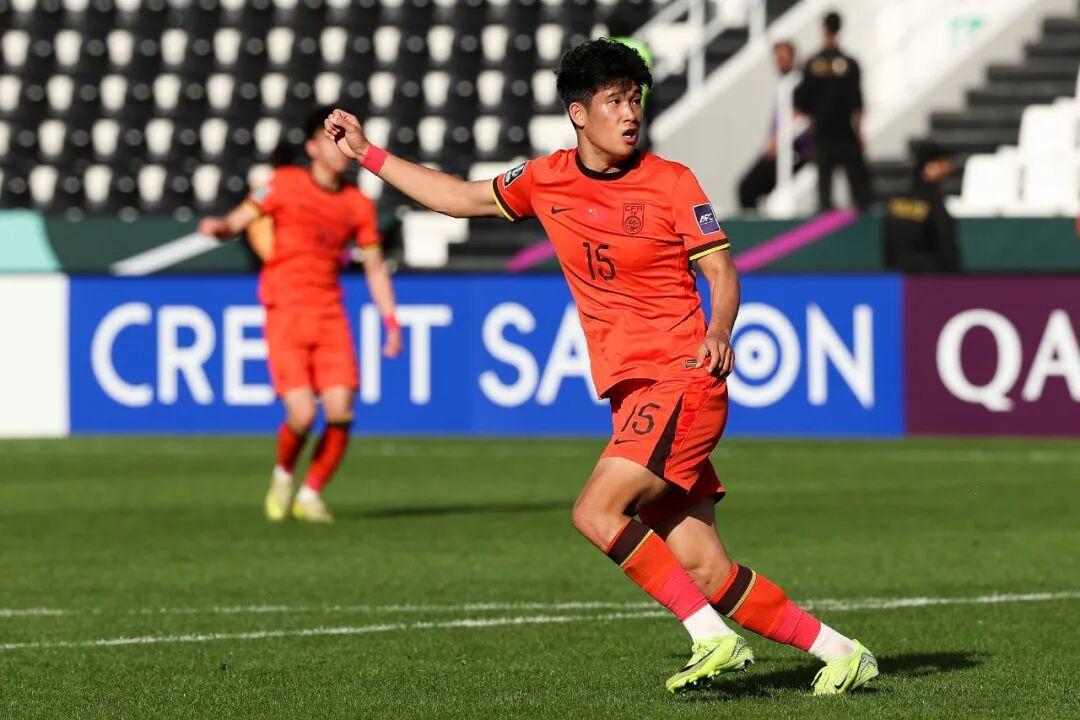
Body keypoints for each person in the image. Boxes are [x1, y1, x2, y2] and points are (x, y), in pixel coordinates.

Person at [324, 39, 877, 695]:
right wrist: (368, 154)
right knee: (707, 572)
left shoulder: (672, 181)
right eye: (615, 100)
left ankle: (711, 640)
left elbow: (722, 271)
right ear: (579, 113)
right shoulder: (545, 178)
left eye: (635, 99)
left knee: (595, 512)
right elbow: (458, 197)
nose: (630, 113)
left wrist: (719, 329)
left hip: (683, 378)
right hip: (635, 394)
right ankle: (841, 651)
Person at [197, 106, 403, 524]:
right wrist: (220, 228)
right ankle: (283, 474)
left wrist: (391, 322)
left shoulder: (358, 205)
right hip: (286, 311)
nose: (340, 148)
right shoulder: (283, 183)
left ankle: (310, 494)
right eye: (331, 139)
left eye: (344, 139)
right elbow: (239, 220)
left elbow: (374, 267)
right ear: (311, 147)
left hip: (330, 314)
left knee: (341, 409)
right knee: (303, 414)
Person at [795, 12, 872, 211]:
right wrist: (859, 132)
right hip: (845, 130)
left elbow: (802, 103)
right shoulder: (850, 63)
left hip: (822, 131)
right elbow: (858, 104)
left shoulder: (812, 64)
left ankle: (826, 218)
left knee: (824, 185)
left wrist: (813, 124)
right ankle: (860, 218)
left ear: (824, 29)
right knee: (858, 184)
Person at [738, 40, 811, 210]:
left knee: (748, 188)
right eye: (778, 60)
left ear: (794, 58)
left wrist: (778, 141)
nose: (781, 63)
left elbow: (801, 118)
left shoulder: (800, 84)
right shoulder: (785, 84)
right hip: (778, 149)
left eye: (784, 59)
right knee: (746, 188)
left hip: (794, 152)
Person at [884, 141, 961, 272]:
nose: (949, 167)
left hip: (900, 278)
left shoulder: (897, 201)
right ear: (929, 166)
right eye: (942, 162)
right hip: (930, 278)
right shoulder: (933, 203)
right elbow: (946, 245)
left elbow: (888, 250)